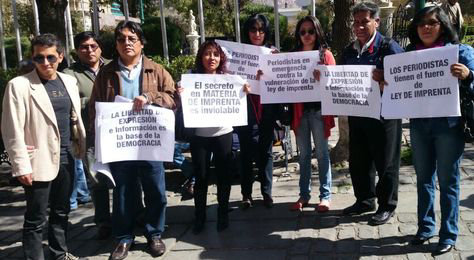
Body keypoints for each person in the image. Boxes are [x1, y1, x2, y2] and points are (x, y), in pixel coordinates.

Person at [89, 21, 175, 260]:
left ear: (141, 43)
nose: (126, 43)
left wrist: (150, 96)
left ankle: (154, 234)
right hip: (120, 143)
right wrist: (96, 141)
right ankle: (123, 238)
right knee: (123, 193)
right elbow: (94, 108)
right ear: (115, 44)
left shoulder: (156, 70)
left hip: (150, 142)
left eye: (131, 38)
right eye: (121, 39)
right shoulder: (105, 73)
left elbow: (172, 98)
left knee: (156, 191)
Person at [1, 33, 87, 260]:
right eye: (39, 58)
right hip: (37, 160)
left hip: (67, 156)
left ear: (60, 57)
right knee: (35, 217)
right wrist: (20, 165)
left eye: (51, 57)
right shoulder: (19, 85)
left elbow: (73, 116)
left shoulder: (69, 81)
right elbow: (12, 129)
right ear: (33, 58)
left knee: (62, 211)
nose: (45, 63)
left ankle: (60, 253)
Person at [405, 6, 474, 256]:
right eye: (421, 23)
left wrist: (468, 74)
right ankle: (426, 228)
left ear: (443, 25)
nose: (426, 28)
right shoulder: (409, 55)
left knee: (448, 181)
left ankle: (448, 233)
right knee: (423, 179)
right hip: (419, 125)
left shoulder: (460, 52)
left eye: (432, 23)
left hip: (448, 126)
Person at [340, 2, 404, 226]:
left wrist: (385, 77)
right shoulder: (349, 51)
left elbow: (405, 75)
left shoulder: (388, 47)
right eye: (355, 22)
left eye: (364, 22)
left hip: (384, 116)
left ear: (376, 22)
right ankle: (365, 200)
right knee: (358, 160)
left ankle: (387, 205)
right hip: (358, 115)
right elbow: (340, 78)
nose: (359, 26)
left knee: (386, 162)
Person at [179, 40, 250, 234]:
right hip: (199, 136)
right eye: (208, 54)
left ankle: (222, 214)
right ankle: (200, 217)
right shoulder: (191, 78)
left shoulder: (229, 79)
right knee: (201, 177)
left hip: (223, 134)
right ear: (201, 57)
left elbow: (240, 97)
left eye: (216, 55)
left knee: (224, 176)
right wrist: (181, 94)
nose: (212, 58)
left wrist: (244, 91)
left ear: (221, 58)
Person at [63, 31, 114, 238]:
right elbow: (69, 103)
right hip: (90, 133)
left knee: (126, 177)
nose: (89, 50)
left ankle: (131, 214)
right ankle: (103, 222)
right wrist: (95, 102)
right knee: (97, 180)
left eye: (93, 46)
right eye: (84, 47)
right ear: (77, 50)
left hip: (117, 132)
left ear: (100, 47)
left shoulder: (113, 66)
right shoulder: (69, 74)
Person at [289, 16, 335, 212]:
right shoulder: (291, 56)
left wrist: (323, 76)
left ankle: (325, 196)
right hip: (300, 113)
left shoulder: (326, 55)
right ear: (298, 35)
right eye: (302, 32)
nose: (307, 35)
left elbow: (335, 84)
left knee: (323, 154)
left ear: (317, 32)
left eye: (310, 31)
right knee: (304, 156)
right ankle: (304, 195)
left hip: (319, 112)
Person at [238, 14, 277, 209]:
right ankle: (246, 194)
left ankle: (266, 193)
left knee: (266, 152)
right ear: (247, 31)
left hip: (267, 109)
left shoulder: (272, 53)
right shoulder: (237, 54)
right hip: (245, 108)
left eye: (261, 30)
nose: (257, 34)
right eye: (253, 30)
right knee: (246, 152)